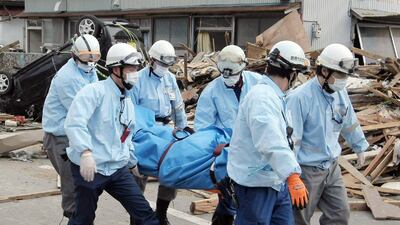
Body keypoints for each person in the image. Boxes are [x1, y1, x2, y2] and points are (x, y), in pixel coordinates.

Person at [64, 43, 159, 225]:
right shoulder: (93, 92)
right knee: (83, 219)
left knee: (145, 214)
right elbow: (75, 123)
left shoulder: (127, 100)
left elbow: (126, 135)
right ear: (116, 69)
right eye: (131, 68)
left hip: (117, 169)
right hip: (90, 168)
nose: (135, 73)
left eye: (137, 68)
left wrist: (132, 163)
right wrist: (85, 153)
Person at [227, 40, 309, 225]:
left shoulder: (276, 97)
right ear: (292, 73)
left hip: (275, 181)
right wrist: (292, 175)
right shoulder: (261, 98)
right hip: (255, 186)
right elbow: (270, 140)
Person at [287, 43, 369, 225]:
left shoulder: (340, 93)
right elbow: (292, 140)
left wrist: (359, 146)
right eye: (340, 75)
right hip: (306, 170)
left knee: (339, 215)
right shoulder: (299, 97)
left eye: (345, 75)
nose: (343, 80)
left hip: (331, 168)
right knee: (298, 219)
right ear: (324, 71)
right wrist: (291, 174)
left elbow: (348, 122)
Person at [194, 44, 261, 225]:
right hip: (229, 151)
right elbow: (203, 128)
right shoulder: (211, 91)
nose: (227, 78)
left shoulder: (258, 83)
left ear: (243, 67)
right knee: (229, 196)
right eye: (224, 74)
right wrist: (221, 146)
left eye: (232, 74)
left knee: (253, 197)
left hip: (258, 149)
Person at [130, 40, 190, 225]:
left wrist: (183, 127)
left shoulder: (170, 79)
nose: (165, 68)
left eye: (168, 64)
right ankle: (137, 217)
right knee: (138, 176)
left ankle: (161, 213)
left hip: (165, 130)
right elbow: (130, 110)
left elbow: (177, 105)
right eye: (162, 64)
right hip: (143, 132)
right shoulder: (137, 80)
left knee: (170, 172)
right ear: (151, 60)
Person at [42, 34, 100, 219]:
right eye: (86, 57)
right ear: (75, 55)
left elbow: (98, 98)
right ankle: (72, 218)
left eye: (95, 57)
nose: (91, 62)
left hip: (77, 133)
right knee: (72, 188)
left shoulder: (90, 71)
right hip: (61, 137)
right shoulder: (67, 78)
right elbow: (82, 112)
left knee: (84, 187)